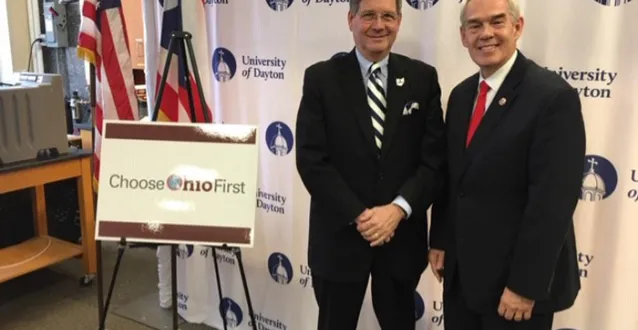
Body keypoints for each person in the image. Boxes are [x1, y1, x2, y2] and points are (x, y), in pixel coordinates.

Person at [428, 0, 586, 329]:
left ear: (518, 27)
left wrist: (524, 287)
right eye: (475, 25)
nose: (486, 33)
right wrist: (441, 238)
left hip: (514, 291)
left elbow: (552, 204)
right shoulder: (460, 96)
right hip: (462, 280)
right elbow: (454, 178)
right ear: (463, 35)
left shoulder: (552, 98)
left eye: (497, 22)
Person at [294, 0, 446, 329]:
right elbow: (311, 160)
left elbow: (433, 161)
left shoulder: (422, 78)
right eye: (368, 15)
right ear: (351, 19)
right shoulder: (321, 79)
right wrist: (361, 216)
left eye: (388, 16)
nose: (378, 25)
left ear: (399, 21)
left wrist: (396, 211)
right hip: (339, 239)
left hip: (400, 240)